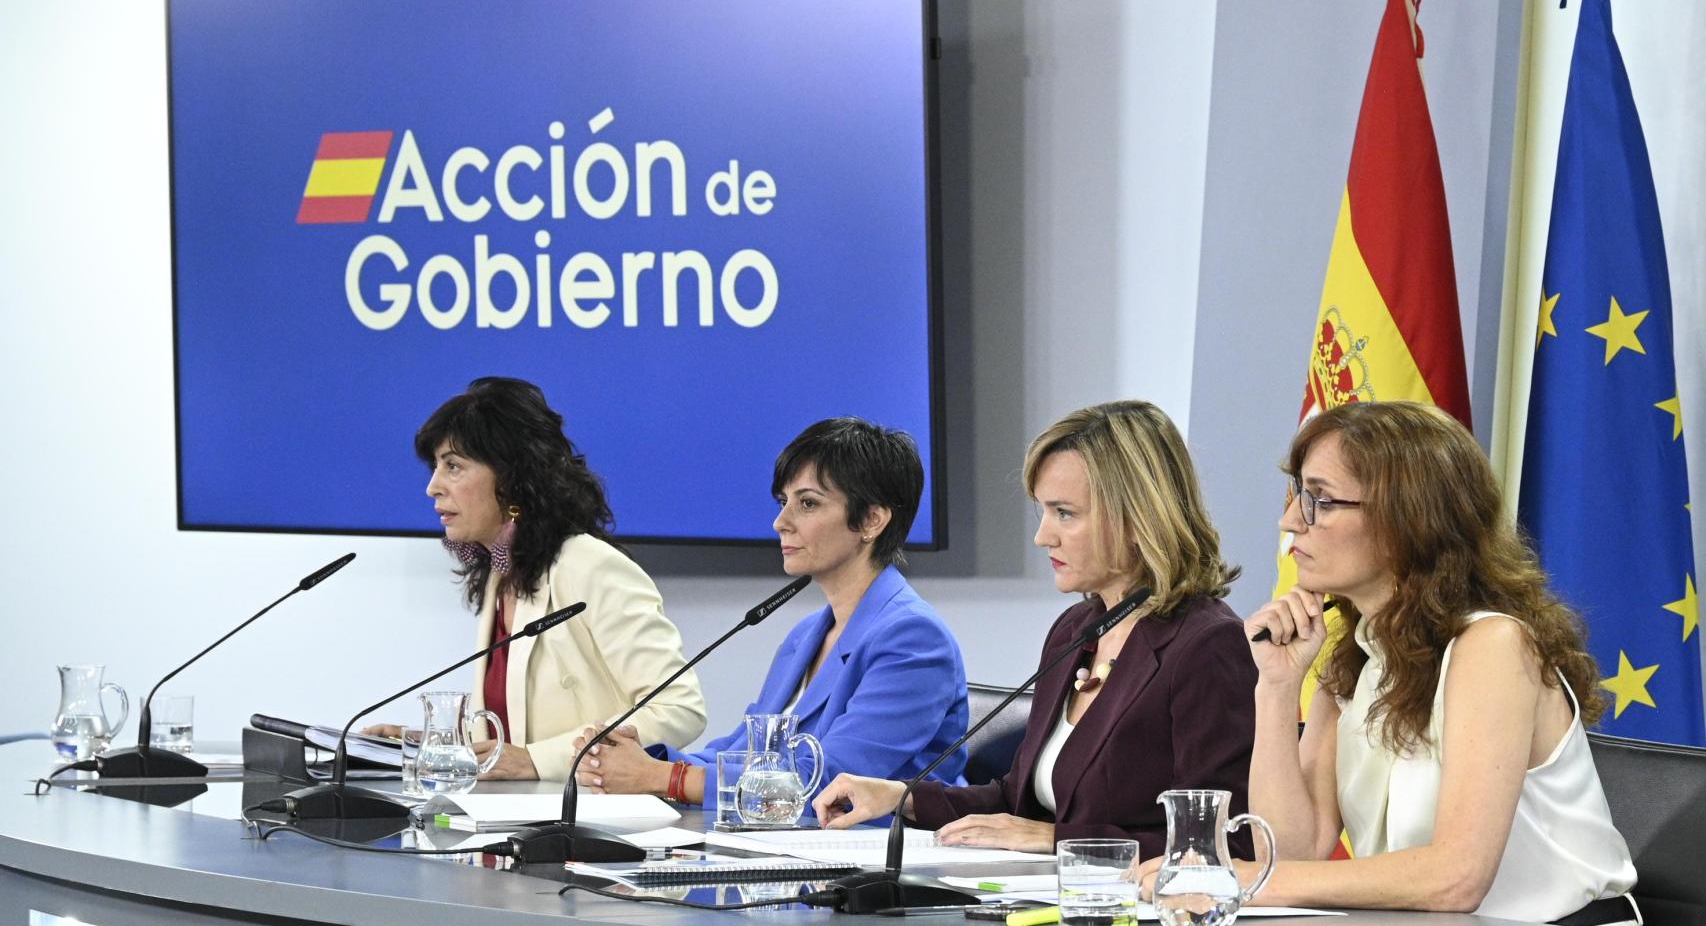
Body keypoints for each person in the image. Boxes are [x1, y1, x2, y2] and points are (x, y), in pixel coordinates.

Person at [1210, 401, 1635, 922]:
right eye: (1298, 494)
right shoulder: (1353, 659)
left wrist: (1242, 879)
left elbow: (1456, 879)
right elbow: (1293, 854)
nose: (1289, 520)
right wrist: (1275, 689)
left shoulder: (1493, 644)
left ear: (1405, 519)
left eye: (1319, 499)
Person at [813, 400, 1256, 857]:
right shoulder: (1077, 630)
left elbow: (1227, 843)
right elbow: (1016, 801)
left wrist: (1055, 840)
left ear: (1137, 518)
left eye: (1065, 513)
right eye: (1043, 512)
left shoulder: (1207, 645)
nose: (1043, 536)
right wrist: (898, 797)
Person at [572, 417, 969, 804]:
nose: (781, 522)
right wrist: (645, 760)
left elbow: (833, 778)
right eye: (784, 502)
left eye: (808, 503)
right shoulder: (806, 635)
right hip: (785, 844)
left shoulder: (914, 639)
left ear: (872, 519)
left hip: (870, 854)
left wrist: (666, 778)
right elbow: (742, 750)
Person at [365, 377, 707, 784]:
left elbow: (679, 708)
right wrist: (440, 745)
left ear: (510, 477)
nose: (432, 487)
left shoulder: (589, 565)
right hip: (522, 826)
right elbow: (513, 734)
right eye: (436, 467)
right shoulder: (500, 573)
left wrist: (537, 760)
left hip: (600, 829)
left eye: (453, 466)